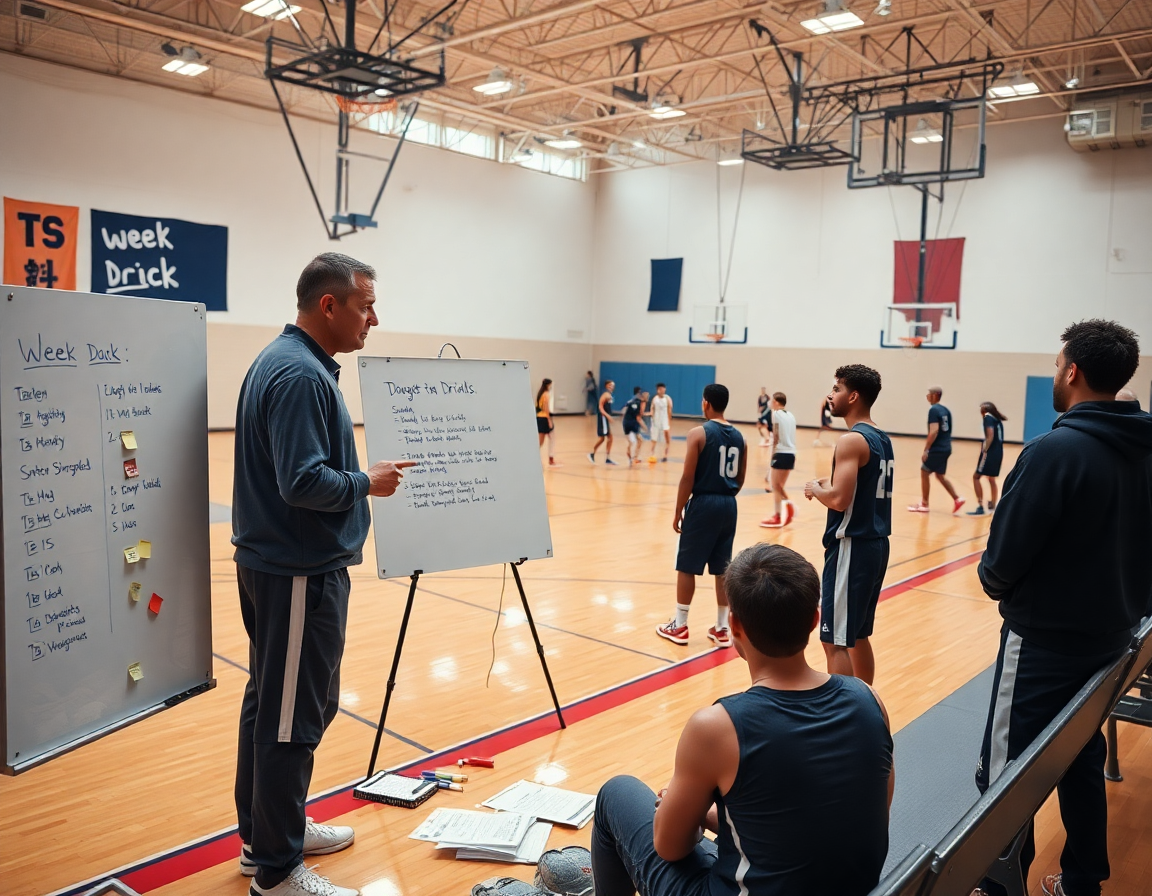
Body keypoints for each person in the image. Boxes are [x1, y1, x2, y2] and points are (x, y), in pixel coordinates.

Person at [232, 253, 415, 896]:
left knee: (270, 707)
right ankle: (277, 870)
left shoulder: (285, 363)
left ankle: (268, 833)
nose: (374, 317)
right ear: (329, 306)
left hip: (278, 565)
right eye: (365, 304)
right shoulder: (301, 376)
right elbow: (303, 481)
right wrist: (369, 483)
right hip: (297, 571)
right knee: (290, 716)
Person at [593, 543, 894, 896]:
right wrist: (714, 818)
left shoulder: (716, 728)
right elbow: (849, 818)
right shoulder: (868, 698)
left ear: (734, 625)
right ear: (815, 620)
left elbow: (669, 847)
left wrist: (680, 811)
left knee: (615, 794)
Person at [973, 320, 1152, 896]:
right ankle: (1081, 882)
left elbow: (1001, 561)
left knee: (1004, 774)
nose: (1055, 373)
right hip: (1113, 639)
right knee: (1079, 752)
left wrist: (995, 582)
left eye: (1056, 365)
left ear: (1072, 371)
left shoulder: (1055, 450)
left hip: (1043, 644)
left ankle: (995, 885)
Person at [804, 365, 894, 684]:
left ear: (853, 396)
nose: (831, 394)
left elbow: (840, 500)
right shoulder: (882, 437)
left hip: (851, 546)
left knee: (834, 640)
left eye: (838, 388)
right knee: (857, 636)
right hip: (877, 543)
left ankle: (845, 722)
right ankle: (865, 706)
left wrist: (817, 489)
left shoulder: (851, 440)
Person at [657, 384, 746, 647]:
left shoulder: (698, 433)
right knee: (722, 568)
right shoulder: (740, 437)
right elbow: (740, 478)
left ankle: (680, 625)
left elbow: (687, 476)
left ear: (705, 403)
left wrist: (678, 510)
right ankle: (721, 628)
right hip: (729, 505)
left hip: (704, 503)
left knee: (687, 565)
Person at [907, 386, 964, 514]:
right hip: (946, 447)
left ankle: (924, 504)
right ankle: (957, 499)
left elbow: (934, 431)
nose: (927, 396)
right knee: (939, 475)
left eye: (929, 394)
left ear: (934, 395)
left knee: (924, 471)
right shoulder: (946, 410)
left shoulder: (933, 410)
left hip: (938, 448)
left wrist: (926, 449)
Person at [761, 392, 797, 528]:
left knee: (776, 486)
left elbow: (775, 435)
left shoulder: (775, 414)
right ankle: (787, 508)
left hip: (780, 452)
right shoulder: (791, 415)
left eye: (771, 401)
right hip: (791, 453)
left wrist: (772, 454)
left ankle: (779, 514)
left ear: (776, 402)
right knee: (778, 485)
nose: (770, 403)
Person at [967, 401, 1006, 516]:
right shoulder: (997, 419)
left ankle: (980, 506)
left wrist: (985, 449)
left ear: (984, 411)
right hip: (999, 452)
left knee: (976, 477)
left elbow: (990, 435)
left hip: (990, 453)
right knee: (991, 479)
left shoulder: (988, 418)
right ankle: (993, 505)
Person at [589, 380, 617, 465]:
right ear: (606, 386)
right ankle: (592, 454)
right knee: (602, 438)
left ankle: (607, 458)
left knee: (610, 438)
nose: (611, 386)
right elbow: (600, 407)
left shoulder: (609, 395)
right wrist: (608, 416)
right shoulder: (605, 395)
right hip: (603, 418)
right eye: (609, 385)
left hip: (605, 418)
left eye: (612, 385)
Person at [622, 387, 650, 464]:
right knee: (640, 441)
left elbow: (623, 410)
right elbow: (638, 417)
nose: (647, 398)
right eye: (646, 396)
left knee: (631, 441)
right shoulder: (639, 403)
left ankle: (630, 452)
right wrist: (645, 427)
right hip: (633, 423)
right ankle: (634, 457)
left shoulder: (631, 401)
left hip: (625, 422)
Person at [536, 378, 560, 467]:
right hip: (544, 418)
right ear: (548, 385)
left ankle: (550, 458)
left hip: (539, 417)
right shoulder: (546, 394)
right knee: (548, 439)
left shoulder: (540, 394)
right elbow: (546, 409)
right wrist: (549, 420)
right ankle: (551, 459)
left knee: (543, 440)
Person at [650, 382, 674, 461]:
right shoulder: (655, 399)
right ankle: (652, 454)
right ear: (657, 390)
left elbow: (669, 410)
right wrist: (651, 417)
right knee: (654, 438)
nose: (662, 390)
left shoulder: (667, 398)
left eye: (663, 389)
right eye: (660, 389)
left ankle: (665, 455)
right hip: (656, 421)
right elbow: (652, 409)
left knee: (667, 437)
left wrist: (669, 421)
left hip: (665, 421)